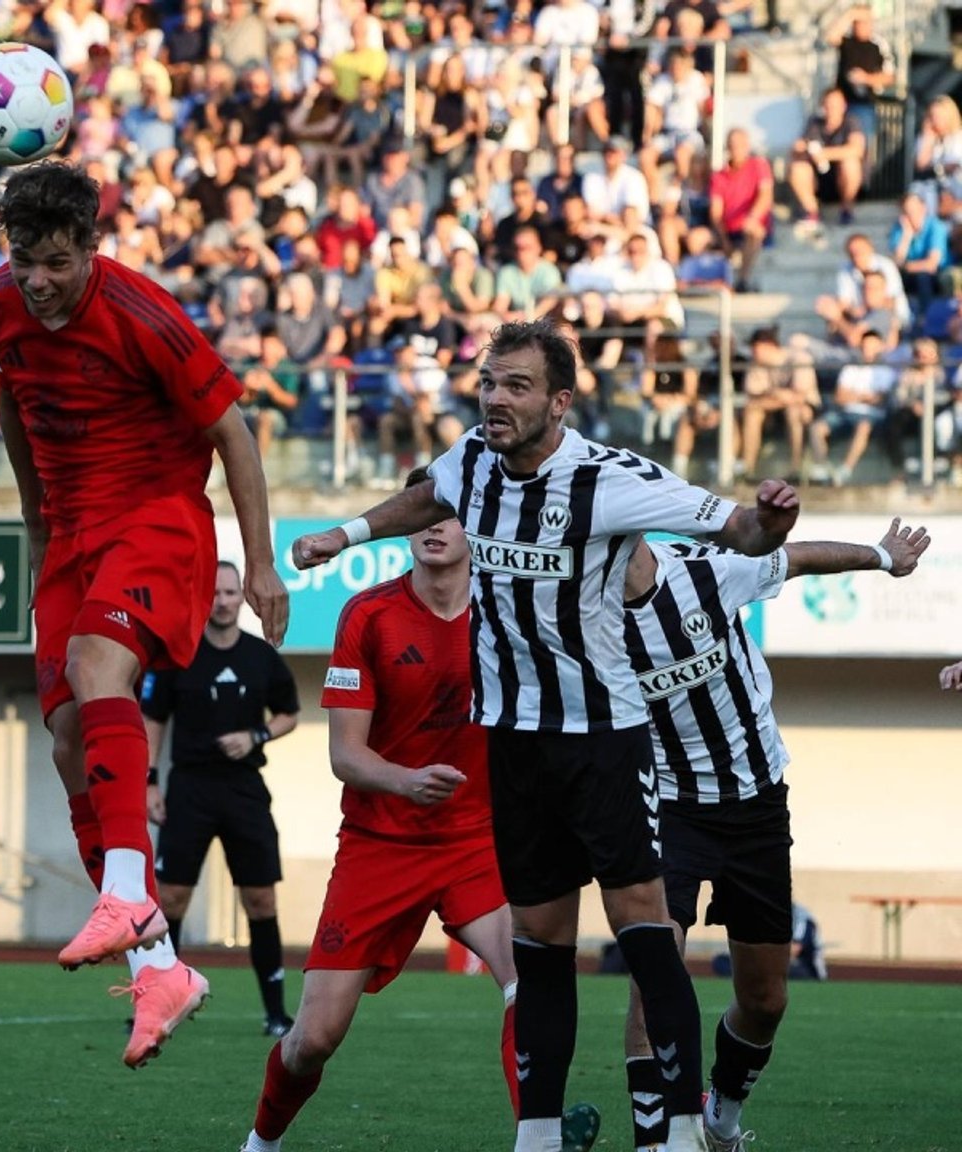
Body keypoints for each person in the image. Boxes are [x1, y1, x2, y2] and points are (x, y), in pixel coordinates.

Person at [290, 317, 801, 1152]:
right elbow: (432, 491)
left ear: (560, 402)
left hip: (603, 737)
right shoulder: (472, 461)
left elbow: (734, 527)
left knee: (643, 931)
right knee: (541, 947)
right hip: (514, 742)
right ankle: (534, 1136)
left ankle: (676, 1129)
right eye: (489, 381)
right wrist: (343, 534)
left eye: (517, 386)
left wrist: (771, 520)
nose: (495, 398)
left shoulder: (610, 478)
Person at [0, 162, 290, 1069]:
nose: (38, 280)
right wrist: (35, 524)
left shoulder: (145, 314)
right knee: (70, 737)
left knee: (97, 671)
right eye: (24, 259)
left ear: (93, 248)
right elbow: (12, 400)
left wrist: (260, 562)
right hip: (69, 533)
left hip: (156, 518)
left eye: (58, 263)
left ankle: (124, 894)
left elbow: (234, 430)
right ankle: (160, 968)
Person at [246, 468, 601, 1152]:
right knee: (313, 1039)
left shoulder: (507, 614)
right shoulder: (368, 615)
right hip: (380, 844)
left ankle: (538, 1139)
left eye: (448, 514)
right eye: (422, 516)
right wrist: (406, 783)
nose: (434, 526)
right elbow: (345, 757)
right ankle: (259, 1143)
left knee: (530, 980)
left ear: (476, 530)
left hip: (478, 842)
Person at [617, 521, 930, 1152]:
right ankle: (655, 1142)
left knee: (764, 999)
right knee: (654, 972)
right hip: (670, 810)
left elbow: (797, 557)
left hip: (757, 803)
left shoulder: (704, 573)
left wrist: (880, 556)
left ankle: (721, 1119)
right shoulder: (581, 614)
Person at [141, 561, 301, 1036]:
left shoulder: (262, 656)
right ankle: (161, 1003)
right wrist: (149, 781)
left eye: (231, 592)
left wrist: (255, 735)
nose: (223, 600)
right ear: (203, 598)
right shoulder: (178, 654)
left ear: (242, 598)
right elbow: (152, 720)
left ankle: (275, 1013)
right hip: (188, 787)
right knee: (170, 897)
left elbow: (289, 714)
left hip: (244, 790)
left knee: (260, 900)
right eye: (215, 593)